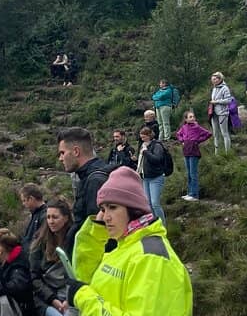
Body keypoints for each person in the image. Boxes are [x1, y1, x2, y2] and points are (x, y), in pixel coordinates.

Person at [68, 168, 192, 316]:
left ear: (134, 210)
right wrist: (96, 233)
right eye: (103, 209)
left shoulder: (151, 258)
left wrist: (84, 298)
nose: (106, 217)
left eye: (112, 207)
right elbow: (85, 277)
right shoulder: (123, 247)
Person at [56, 127, 110, 242]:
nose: (60, 158)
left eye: (62, 153)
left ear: (76, 151)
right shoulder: (89, 176)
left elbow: (98, 231)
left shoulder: (95, 181)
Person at [28, 197, 73, 316]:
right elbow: (34, 277)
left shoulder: (74, 240)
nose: (51, 221)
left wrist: (70, 298)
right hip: (46, 296)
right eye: (48, 217)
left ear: (66, 218)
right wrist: (52, 299)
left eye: (55, 217)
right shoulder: (40, 241)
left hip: (70, 294)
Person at [174, 110, 212, 201]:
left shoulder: (197, 127)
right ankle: (189, 193)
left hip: (194, 150)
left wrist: (197, 141)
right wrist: (182, 140)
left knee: (193, 173)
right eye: (190, 117)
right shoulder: (184, 127)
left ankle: (195, 195)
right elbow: (178, 134)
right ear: (186, 119)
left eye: (193, 116)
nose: (192, 118)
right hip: (186, 150)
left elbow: (208, 134)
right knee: (188, 173)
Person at [136, 127, 167, 224]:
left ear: (149, 135)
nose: (142, 139)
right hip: (145, 178)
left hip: (156, 177)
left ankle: (162, 225)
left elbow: (157, 159)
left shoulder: (157, 145)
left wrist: (145, 152)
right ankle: (154, 223)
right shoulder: (143, 145)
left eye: (144, 137)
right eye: (141, 137)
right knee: (148, 203)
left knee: (155, 203)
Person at [208, 72, 232, 154]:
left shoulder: (225, 88)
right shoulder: (214, 88)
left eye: (215, 79)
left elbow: (228, 100)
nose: (213, 81)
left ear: (220, 79)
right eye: (212, 79)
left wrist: (216, 102)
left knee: (224, 133)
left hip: (223, 113)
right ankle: (216, 153)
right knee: (215, 133)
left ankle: (227, 153)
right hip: (214, 113)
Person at [19, 184, 47, 250]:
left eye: (24, 200)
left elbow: (38, 242)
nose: (23, 204)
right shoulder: (35, 214)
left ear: (31, 198)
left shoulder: (44, 215)